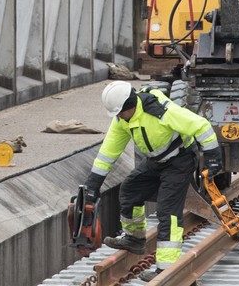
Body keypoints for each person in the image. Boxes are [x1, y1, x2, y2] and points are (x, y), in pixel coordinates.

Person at [80, 81, 222, 281]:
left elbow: (201, 125)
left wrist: (213, 158)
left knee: (167, 211)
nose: (118, 117)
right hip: (156, 161)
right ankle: (134, 239)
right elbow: (108, 153)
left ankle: (166, 269)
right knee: (130, 191)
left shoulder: (159, 111)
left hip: (180, 160)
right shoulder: (123, 121)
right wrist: (93, 185)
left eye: (120, 113)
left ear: (129, 106)